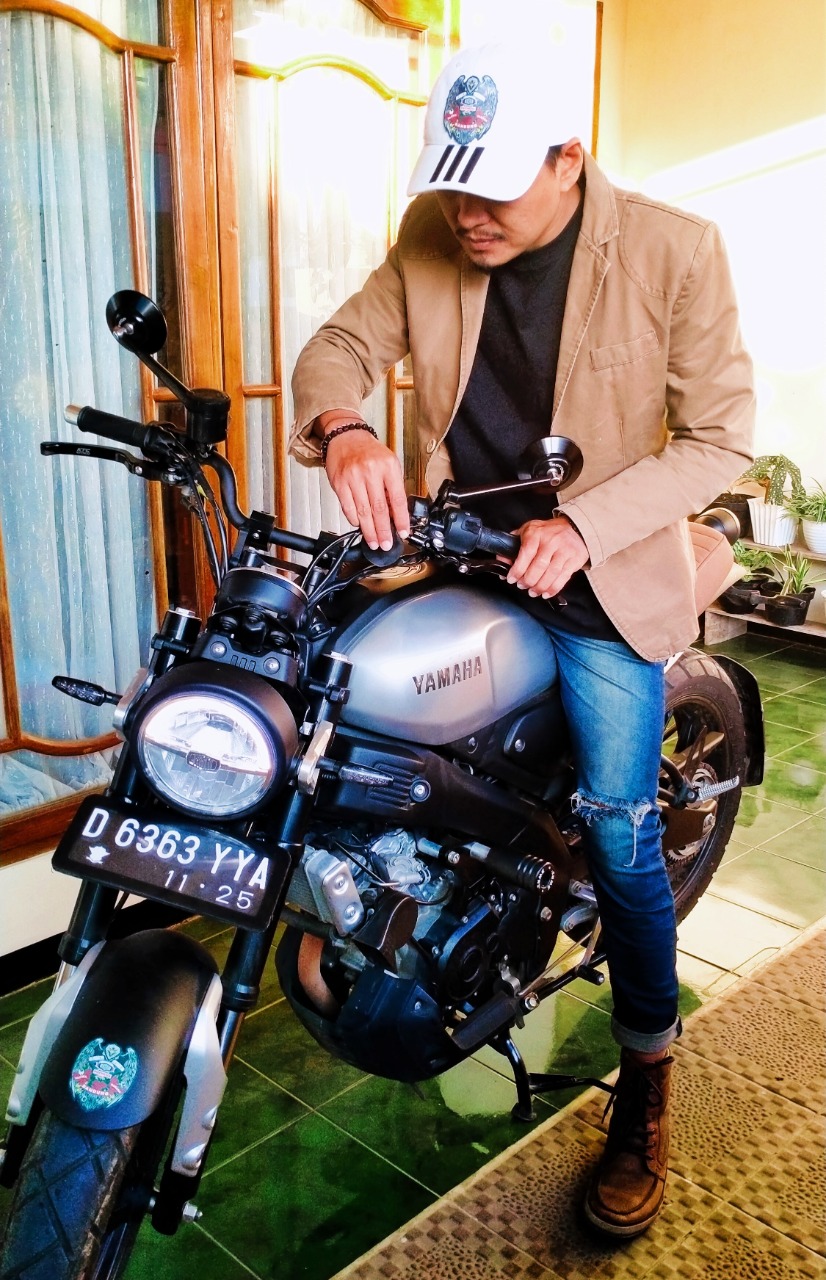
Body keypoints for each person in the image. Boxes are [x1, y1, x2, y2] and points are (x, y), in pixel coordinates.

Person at [289, 42, 754, 1237]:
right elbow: (339, 347)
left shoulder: (672, 248)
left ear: (566, 160)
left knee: (622, 834)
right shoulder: (433, 233)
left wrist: (584, 524)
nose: (466, 215)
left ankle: (646, 1074)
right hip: (462, 556)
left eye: (490, 188)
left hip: (604, 585)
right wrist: (342, 423)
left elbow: (718, 438)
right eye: (451, 184)